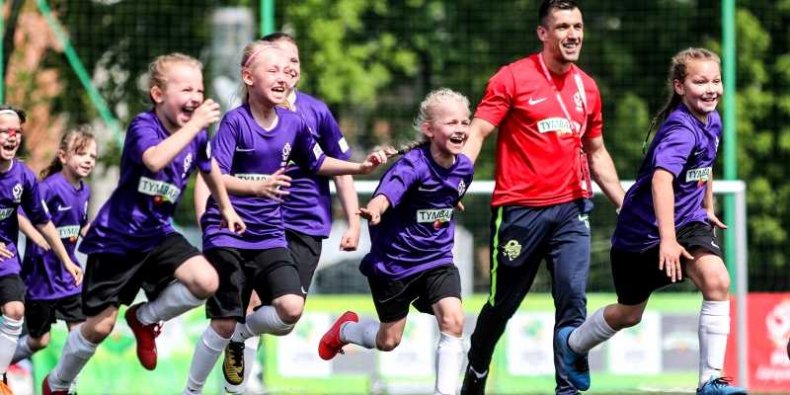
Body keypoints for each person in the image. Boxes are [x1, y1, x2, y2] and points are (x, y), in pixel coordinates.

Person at [183, 42, 388, 395]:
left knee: (290, 310)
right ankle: (196, 389)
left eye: (289, 65)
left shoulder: (299, 121)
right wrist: (252, 190)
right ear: (248, 76)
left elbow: (319, 161)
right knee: (224, 319)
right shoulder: (235, 122)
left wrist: (359, 167)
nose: (284, 74)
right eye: (273, 68)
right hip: (231, 234)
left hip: (271, 234)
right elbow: (214, 173)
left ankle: (242, 335)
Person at [41, 53, 245, 395]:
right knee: (101, 327)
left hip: (158, 236)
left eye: (199, 89)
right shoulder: (143, 127)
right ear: (158, 95)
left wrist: (227, 208)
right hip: (117, 240)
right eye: (185, 89)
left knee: (207, 280)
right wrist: (196, 125)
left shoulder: (196, 137)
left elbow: (209, 170)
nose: (196, 96)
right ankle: (58, 383)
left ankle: (144, 318)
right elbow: (153, 160)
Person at [557, 47, 748, 395]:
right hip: (641, 235)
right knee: (629, 315)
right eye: (700, 81)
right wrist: (668, 239)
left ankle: (710, 382)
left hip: (687, 223)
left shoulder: (712, 119)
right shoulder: (680, 130)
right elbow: (662, 180)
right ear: (679, 86)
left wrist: (707, 205)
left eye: (716, 81)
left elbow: (705, 165)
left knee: (718, 280)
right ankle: (572, 346)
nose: (710, 89)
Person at [459, 1, 625, 394]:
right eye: (564, 26)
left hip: (572, 209)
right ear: (543, 33)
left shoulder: (588, 87)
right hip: (519, 212)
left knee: (572, 299)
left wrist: (623, 202)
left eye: (578, 26)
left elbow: (597, 151)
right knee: (502, 305)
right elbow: (478, 132)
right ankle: (477, 367)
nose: (573, 34)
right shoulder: (512, 78)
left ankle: (566, 389)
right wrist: (454, 183)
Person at [317, 88, 473, 395]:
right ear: (429, 129)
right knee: (388, 341)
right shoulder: (411, 165)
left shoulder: (464, 167)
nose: (461, 129)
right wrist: (375, 210)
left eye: (465, 122)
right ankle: (345, 330)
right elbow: (388, 193)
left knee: (454, 320)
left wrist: (449, 202)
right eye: (451, 122)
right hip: (395, 265)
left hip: (437, 259)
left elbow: (448, 192)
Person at [0, 105, 83, 395]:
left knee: (14, 309)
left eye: (16, 132)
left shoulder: (23, 177)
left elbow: (43, 220)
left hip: (7, 260)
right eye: (4, 131)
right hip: (25, 270)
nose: (11, 137)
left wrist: (67, 260)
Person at [12, 128, 96, 378]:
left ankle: (65, 385)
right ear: (63, 156)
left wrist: (106, 244)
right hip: (40, 280)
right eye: (81, 153)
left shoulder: (85, 191)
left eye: (93, 156)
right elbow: (20, 215)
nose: (89, 160)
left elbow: (81, 226)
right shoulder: (48, 188)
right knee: (40, 341)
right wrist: (37, 236)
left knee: (80, 337)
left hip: (69, 278)